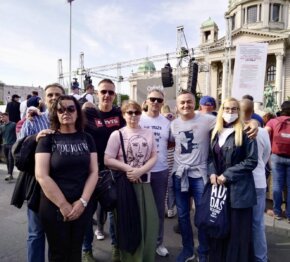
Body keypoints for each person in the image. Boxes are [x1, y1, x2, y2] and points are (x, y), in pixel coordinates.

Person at [35, 95, 98, 261]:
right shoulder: (47, 139)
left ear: (77, 112)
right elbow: (41, 175)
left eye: (71, 108)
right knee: (58, 253)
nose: (66, 112)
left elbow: (94, 172)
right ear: (55, 114)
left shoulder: (87, 138)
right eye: (61, 109)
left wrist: (83, 202)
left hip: (82, 205)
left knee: (75, 250)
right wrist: (63, 205)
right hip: (53, 206)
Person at [104, 100, 158, 262]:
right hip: (125, 186)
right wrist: (129, 169)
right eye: (130, 112)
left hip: (144, 184)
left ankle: (146, 257)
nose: (133, 115)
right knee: (129, 223)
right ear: (123, 115)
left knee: (150, 222)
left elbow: (154, 156)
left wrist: (140, 171)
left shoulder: (148, 133)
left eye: (137, 112)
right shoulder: (117, 134)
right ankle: (130, 258)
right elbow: (107, 159)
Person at [19, 83, 65, 262]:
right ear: (44, 99)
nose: (54, 98)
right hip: (38, 186)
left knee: (59, 235)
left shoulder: (70, 119)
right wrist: (34, 139)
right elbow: (19, 151)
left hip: (63, 184)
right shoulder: (34, 120)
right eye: (50, 95)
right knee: (36, 234)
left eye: (57, 95)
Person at [208, 97, 258, 262]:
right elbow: (210, 158)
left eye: (234, 109)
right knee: (221, 228)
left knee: (238, 233)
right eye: (227, 109)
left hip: (239, 192)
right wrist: (212, 173)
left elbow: (251, 161)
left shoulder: (246, 131)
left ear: (239, 111)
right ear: (222, 110)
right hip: (220, 190)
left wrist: (227, 175)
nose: (230, 112)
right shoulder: (215, 132)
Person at [82, 78, 126, 262]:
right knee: (87, 211)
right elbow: (66, 112)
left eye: (111, 92)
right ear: (97, 94)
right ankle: (87, 250)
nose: (107, 95)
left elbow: (136, 121)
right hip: (91, 170)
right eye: (103, 92)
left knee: (114, 213)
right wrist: (83, 105)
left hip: (114, 171)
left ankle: (116, 247)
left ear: (115, 95)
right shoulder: (88, 113)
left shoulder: (119, 113)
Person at [170, 90, 216, 262]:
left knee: (202, 215)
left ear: (195, 103)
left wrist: (254, 124)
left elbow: (230, 122)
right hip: (179, 174)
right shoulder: (173, 125)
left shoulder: (208, 120)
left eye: (189, 102)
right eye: (182, 102)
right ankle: (188, 249)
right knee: (182, 215)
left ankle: (203, 251)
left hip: (199, 175)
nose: (185, 105)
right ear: (177, 106)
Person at [139, 87, 171, 257]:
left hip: (160, 170)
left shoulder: (167, 122)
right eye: (152, 99)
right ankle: (143, 242)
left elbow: (172, 142)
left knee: (159, 209)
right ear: (147, 101)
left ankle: (158, 243)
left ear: (163, 102)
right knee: (141, 209)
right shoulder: (138, 119)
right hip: (141, 171)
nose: (156, 103)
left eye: (159, 100)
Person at [240, 99, 271, 262]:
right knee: (257, 224)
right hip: (258, 180)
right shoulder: (263, 132)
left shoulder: (236, 129)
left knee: (238, 222)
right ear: (253, 112)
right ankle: (261, 258)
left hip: (240, 183)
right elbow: (267, 155)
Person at [265, 100, 290, 223]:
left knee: (277, 185)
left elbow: (264, 133)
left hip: (276, 156)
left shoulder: (274, 121)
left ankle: (277, 212)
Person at [161, 104, 176, 219]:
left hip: (164, 152)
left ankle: (165, 207)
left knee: (165, 184)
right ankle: (169, 208)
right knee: (170, 183)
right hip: (171, 152)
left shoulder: (161, 120)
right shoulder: (173, 119)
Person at [0, 113, 16, 181]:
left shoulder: (13, 124)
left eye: (3, 117)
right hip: (5, 145)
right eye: (1, 117)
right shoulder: (1, 127)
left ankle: (9, 174)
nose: (2, 118)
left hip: (12, 144)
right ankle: (10, 174)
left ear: (7, 117)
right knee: (7, 160)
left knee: (10, 159)